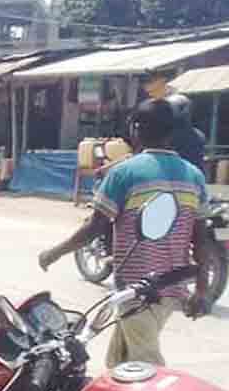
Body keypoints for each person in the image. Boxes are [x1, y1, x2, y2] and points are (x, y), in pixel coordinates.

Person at [38, 98, 210, 368]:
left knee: (146, 368)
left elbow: (95, 227)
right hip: (173, 285)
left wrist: (54, 253)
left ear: (135, 129)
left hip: (136, 288)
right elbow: (200, 238)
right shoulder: (194, 176)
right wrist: (201, 289)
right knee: (118, 363)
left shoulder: (124, 173)